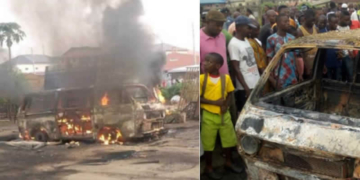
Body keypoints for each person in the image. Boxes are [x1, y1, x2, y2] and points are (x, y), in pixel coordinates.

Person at [200, 53, 242, 179]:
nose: (205, 63)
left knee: (228, 140)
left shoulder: (226, 78)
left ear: (218, 65)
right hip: (209, 116)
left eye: (209, 61)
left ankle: (228, 162)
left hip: (224, 115)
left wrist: (226, 105)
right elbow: (198, 98)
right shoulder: (202, 79)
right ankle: (209, 167)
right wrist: (215, 103)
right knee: (208, 143)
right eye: (205, 61)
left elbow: (229, 94)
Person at [228, 16, 260, 113]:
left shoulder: (246, 40)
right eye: (248, 27)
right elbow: (236, 68)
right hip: (245, 87)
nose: (250, 30)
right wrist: (246, 88)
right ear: (240, 28)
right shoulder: (233, 44)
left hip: (255, 82)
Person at [267, 14, 298, 89]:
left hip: (292, 75)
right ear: (277, 23)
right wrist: (272, 80)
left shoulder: (292, 38)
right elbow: (270, 60)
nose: (288, 23)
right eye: (285, 21)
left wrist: (298, 73)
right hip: (279, 76)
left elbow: (295, 56)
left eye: (288, 21)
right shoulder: (271, 39)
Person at [200, 10, 229, 75]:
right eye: (217, 25)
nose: (220, 28)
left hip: (225, 80)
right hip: (208, 83)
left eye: (222, 25)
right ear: (207, 23)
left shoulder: (222, 36)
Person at [298, 9, 318, 79]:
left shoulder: (316, 29)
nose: (313, 22)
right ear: (305, 19)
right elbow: (300, 52)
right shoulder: (300, 31)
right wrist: (306, 67)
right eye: (311, 20)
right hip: (307, 64)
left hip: (316, 62)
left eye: (314, 20)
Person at [323, 14, 341, 80]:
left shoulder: (338, 32)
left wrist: (340, 52)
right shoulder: (323, 33)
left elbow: (341, 45)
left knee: (338, 81)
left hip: (337, 62)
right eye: (334, 23)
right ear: (329, 22)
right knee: (329, 81)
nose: (336, 25)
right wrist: (323, 64)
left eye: (337, 22)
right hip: (327, 63)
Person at [337, 10, 353, 82]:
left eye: (348, 20)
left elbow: (349, 40)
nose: (348, 22)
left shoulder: (347, 27)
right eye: (346, 20)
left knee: (350, 73)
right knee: (340, 74)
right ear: (340, 18)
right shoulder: (336, 28)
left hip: (347, 54)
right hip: (340, 55)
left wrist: (351, 50)